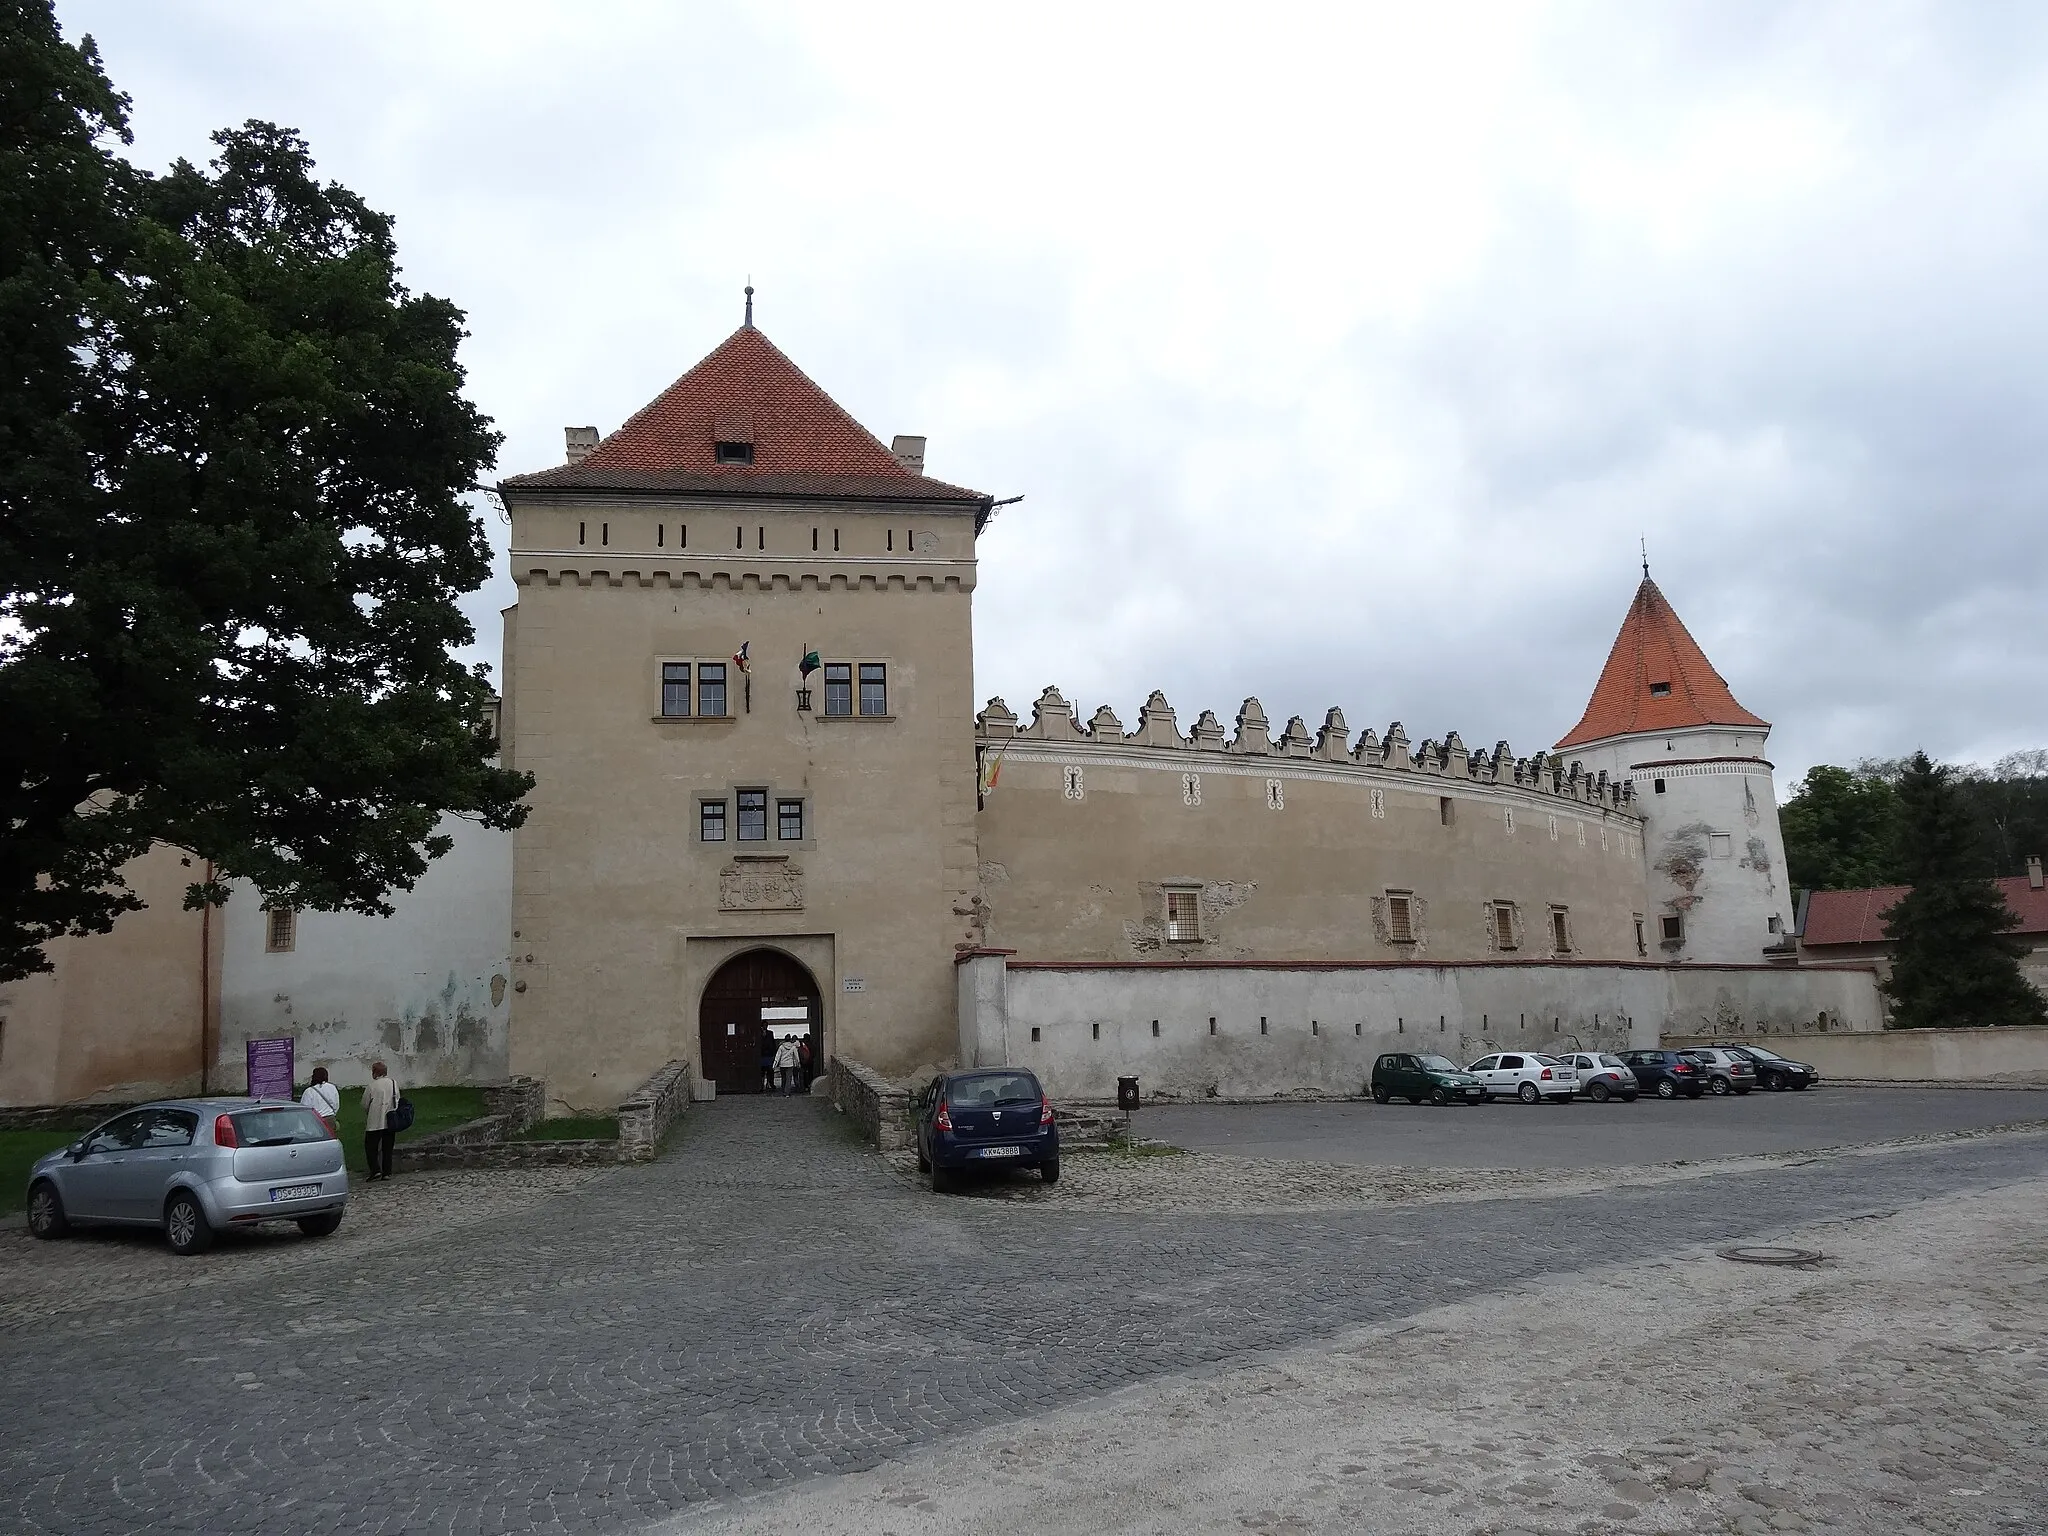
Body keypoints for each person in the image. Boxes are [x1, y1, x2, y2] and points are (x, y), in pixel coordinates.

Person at [360, 1061, 399, 1181]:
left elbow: (365, 1103)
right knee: (388, 1147)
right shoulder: (393, 1083)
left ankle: (375, 1169)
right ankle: (387, 1172)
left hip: (375, 1121)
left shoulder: (372, 1086)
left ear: (375, 1072)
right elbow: (397, 1098)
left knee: (371, 1147)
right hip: (389, 1120)